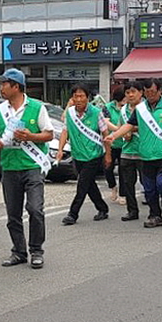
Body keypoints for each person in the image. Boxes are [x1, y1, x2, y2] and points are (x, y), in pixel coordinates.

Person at [0, 68, 54, 268]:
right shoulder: (0, 110)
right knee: (13, 214)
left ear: (16, 86)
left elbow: (49, 134)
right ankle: (19, 251)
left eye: (4, 84)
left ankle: (36, 250)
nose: (1, 88)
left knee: (35, 208)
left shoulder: (36, 107)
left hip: (32, 166)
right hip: (9, 167)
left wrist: (30, 136)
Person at [106, 79, 162, 228]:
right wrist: (114, 136)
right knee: (149, 189)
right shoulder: (140, 109)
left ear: (159, 91)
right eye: (147, 93)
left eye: (153, 92)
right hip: (145, 155)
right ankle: (154, 215)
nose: (150, 96)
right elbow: (129, 125)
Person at [57, 83, 111, 225]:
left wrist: (108, 155)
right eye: (76, 96)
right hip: (77, 155)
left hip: (93, 155)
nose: (79, 99)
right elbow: (65, 131)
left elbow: (105, 133)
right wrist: (60, 150)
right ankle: (102, 208)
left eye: (81, 96)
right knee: (89, 184)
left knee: (82, 185)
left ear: (87, 98)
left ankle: (72, 214)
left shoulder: (96, 112)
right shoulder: (70, 113)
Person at [116, 82, 144, 221]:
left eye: (133, 91)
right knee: (128, 184)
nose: (130, 95)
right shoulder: (123, 110)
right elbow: (119, 127)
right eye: (127, 92)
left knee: (148, 183)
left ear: (141, 92)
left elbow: (149, 127)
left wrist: (131, 129)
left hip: (144, 152)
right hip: (127, 151)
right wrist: (123, 133)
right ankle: (132, 211)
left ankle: (155, 210)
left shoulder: (146, 109)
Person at [102, 86, 126, 204]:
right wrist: (117, 130)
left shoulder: (129, 108)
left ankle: (123, 194)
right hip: (111, 143)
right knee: (108, 168)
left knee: (123, 170)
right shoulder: (107, 107)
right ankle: (113, 187)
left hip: (125, 144)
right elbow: (105, 121)